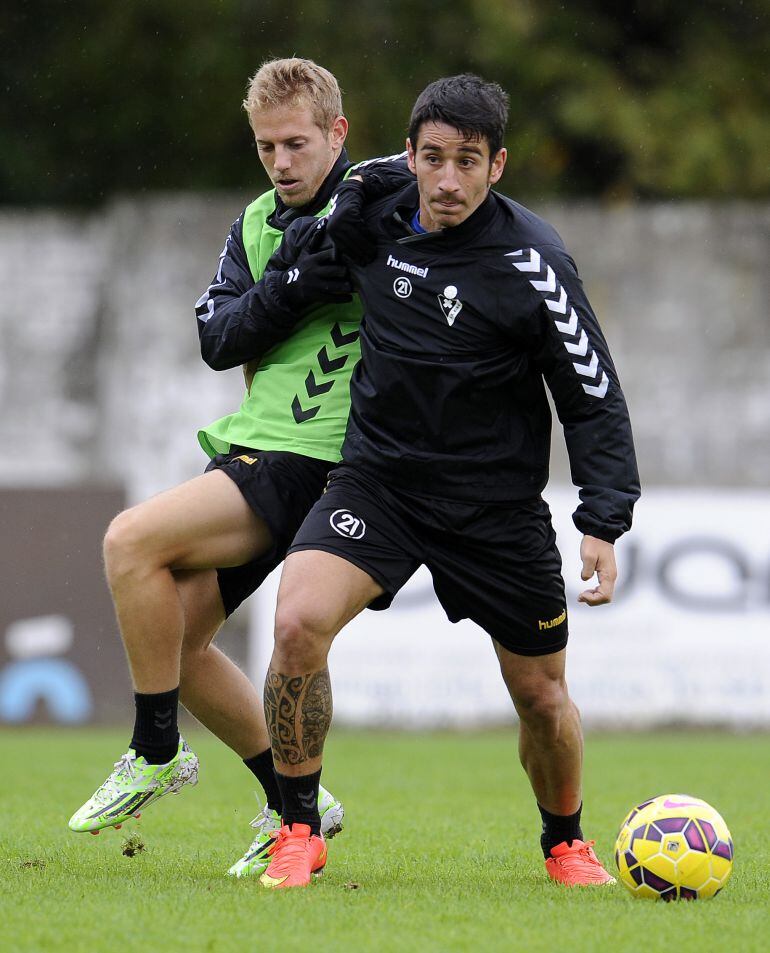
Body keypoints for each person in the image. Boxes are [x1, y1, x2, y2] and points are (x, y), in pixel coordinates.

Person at [256, 74, 641, 889]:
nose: (448, 181)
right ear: (409, 154)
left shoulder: (535, 262)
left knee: (541, 696)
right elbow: (299, 258)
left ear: (497, 164)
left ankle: (566, 841)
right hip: (379, 486)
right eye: (433, 158)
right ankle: (296, 827)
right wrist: (320, 238)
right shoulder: (371, 207)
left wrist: (603, 518)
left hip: (495, 509)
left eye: (468, 161)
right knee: (295, 626)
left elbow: (592, 394)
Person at [67, 57, 411, 880]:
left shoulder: (382, 200)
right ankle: (296, 804)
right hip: (255, 446)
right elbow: (219, 338)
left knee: (129, 542)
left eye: (297, 144)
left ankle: (155, 749)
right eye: (265, 147)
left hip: (313, 456)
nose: (281, 163)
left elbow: (426, 182)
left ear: (338, 133)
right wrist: (294, 278)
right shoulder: (258, 222)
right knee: (176, 645)